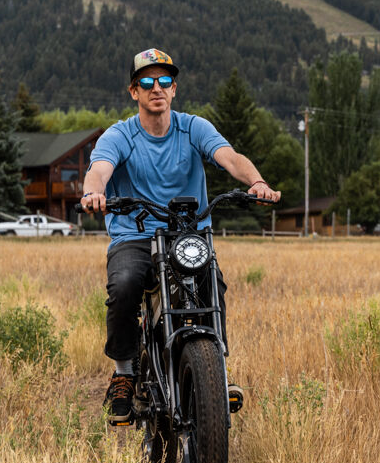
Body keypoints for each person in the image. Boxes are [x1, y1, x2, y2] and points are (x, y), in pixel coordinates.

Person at [81, 48, 280, 425]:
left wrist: (256, 181)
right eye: (147, 82)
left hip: (187, 233)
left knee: (211, 286)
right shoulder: (120, 134)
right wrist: (94, 192)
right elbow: (100, 168)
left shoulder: (193, 128)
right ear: (134, 91)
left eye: (165, 80)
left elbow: (230, 157)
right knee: (123, 285)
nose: (157, 87)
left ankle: (215, 365)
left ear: (174, 89)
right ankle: (124, 372)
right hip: (135, 234)